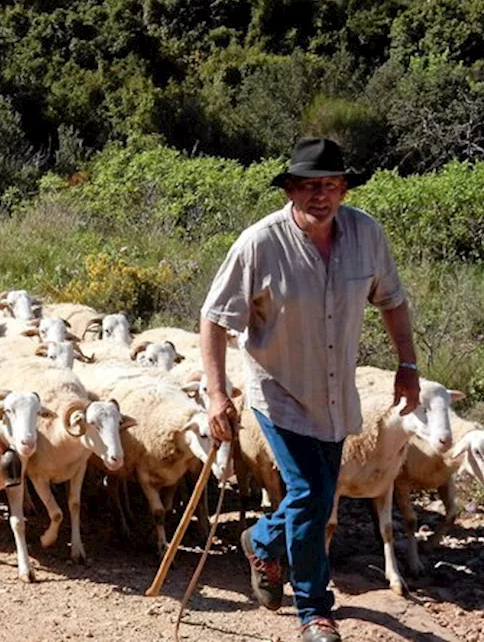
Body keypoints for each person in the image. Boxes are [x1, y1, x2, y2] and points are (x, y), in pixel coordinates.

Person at [199, 138, 420, 642]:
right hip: (278, 392)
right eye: (307, 186)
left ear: (343, 188)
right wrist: (217, 394)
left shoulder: (367, 234)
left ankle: (261, 538)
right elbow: (214, 320)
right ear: (292, 189)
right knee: (312, 491)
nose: (319, 195)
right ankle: (315, 610)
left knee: (318, 498)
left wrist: (407, 364)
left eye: (329, 185)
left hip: (335, 393)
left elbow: (393, 300)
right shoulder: (259, 243)